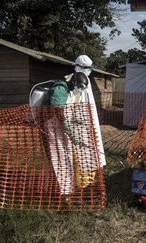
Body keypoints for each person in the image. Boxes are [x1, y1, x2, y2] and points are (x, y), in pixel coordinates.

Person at [42, 55, 106, 197]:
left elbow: (68, 109)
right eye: (78, 89)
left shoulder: (72, 87)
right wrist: (70, 132)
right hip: (52, 125)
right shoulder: (60, 88)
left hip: (61, 125)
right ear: (74, 82)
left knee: (69, 156)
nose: (78, 92)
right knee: (60, 157)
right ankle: (62, 192)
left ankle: (68, 187)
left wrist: (77, 120)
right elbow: (58, 113)